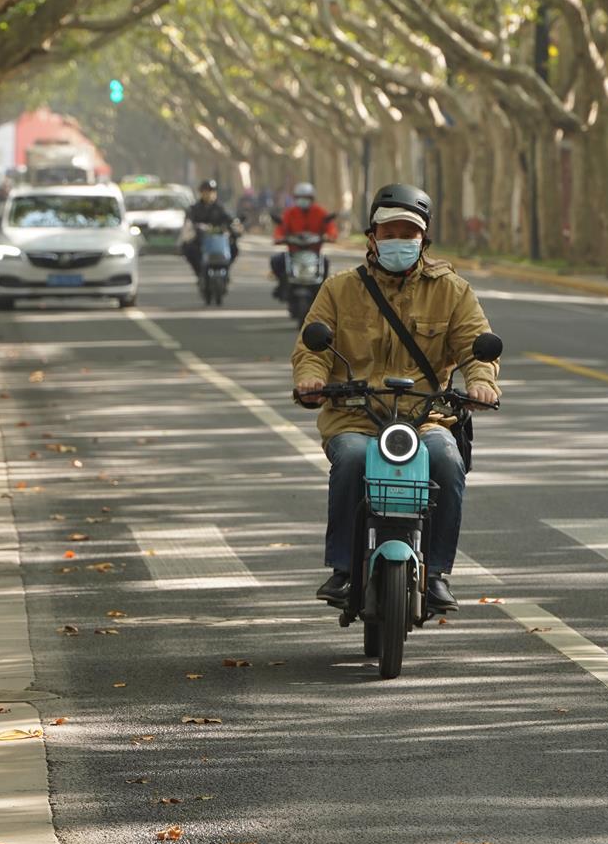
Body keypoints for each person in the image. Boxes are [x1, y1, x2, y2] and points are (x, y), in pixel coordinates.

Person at [291, 182, 500, 613]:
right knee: (352, 459)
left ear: (424, 239)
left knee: (447, 460)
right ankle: (343, 569)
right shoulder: (339, 289)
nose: (399, 241)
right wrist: (311, 380)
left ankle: (437, 572)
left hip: (427, 417)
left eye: (409, 233)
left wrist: (481, 383)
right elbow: (312, 350)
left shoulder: (453, 290)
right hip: (355, 416)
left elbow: (475, 346)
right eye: (390, 233)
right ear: (372, 237)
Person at [271, 182, 337, 298]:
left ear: (312, 199)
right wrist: (279, 238)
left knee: (325, 263)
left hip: (314, 251)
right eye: (300, 198)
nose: (303, 200)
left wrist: (330, 236)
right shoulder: (290, 213)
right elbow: (281, 228)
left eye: (306, 198)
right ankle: (282, 286)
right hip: (294, 251)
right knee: (276, 261)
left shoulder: (319, 212)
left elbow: (330, 227)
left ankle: (323, 293)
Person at [181, 180, 240, 278]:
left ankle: (226, 270)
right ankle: (200, 272)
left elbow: (230, 220)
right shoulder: (194, 209)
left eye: (212, 191)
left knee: (234, 247)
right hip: (201, 241)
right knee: (187, 248)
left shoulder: (221, 208)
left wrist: (235, 226)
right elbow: (189, 223)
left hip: (219, 240)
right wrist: (197, 228)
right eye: (206, 191)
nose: (209, 194)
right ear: (201, 193)